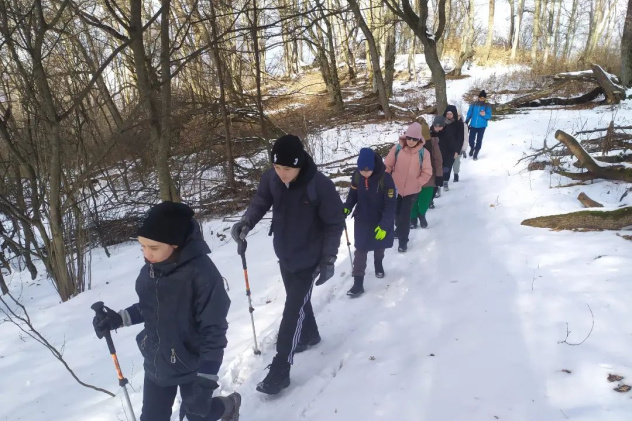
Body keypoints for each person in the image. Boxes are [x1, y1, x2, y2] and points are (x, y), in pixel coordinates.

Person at [91, 201, 239, 421]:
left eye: (153, 248)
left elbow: (214, 331)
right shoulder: (151, 269)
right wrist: (117, 319)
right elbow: (152, 307)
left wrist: (206, 381)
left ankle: (228, 406)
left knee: (198, 414)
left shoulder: (202, 275)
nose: (146, 254)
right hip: (157, 360)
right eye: (142, 246)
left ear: (176, 244)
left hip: (192, 364)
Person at [230, 134, 344, 395]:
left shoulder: (319, 186)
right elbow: (261, 200)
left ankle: (281, 369)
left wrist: (328, 258)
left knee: (292, 311)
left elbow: (334, 223)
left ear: (300, 164)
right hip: (285, 254)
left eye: (287, 169)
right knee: (299, 301)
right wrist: (246, 222)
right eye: (277, 167)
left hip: (310, 257)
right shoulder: (272, 178)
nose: (281, 174)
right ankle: (310, 335)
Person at [343, 148, 396, 298]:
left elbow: (390, 204)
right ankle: (358, 283)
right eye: (361, 170)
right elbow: (353, 195)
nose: (364, 173)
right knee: (360, 250)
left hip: (379, 219)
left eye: (368, 171)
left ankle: (378, 264)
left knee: (379, 246)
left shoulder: (385, 178)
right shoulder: (357, 176)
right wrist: (347, 207)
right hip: (362, 219)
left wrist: (384, 226)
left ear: (373, 166)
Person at [384, 122, 432, 252]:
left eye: (414, 139)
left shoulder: (424, 153)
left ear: (419, 139)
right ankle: (398, 228)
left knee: (404, 216)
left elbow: (427, 172)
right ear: (406, 136)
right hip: (395, 189)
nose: (411, 141)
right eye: (409, 138)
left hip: (412, 191)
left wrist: (417, 183)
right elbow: (388, 165)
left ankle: (403, 241)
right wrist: (385, 179)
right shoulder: (397, 149)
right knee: (395, 213)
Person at [411, 120, 443, 229]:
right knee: (413, 199)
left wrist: (439, 175)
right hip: (413, 177)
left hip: (429, 177)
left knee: (424, 200)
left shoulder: (433, 144)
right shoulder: (409, 144)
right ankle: (413, 218)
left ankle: (422, 214)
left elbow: (438, 160)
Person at [439, 106, 464, 191]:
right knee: (439, 166)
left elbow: (460, 139)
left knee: (447, 166)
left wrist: (457, 151)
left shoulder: (458, 124)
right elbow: (434, 132)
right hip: (440, 149)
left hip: (452, 150)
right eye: (447, 114)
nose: (449, 115)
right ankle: (438, 184)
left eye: (451, 114)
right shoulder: (441, 122)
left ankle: (445, 181)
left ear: (454, 114)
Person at [465, 90, 492, 160]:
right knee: (471, 139)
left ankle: (476, 153)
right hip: (473, 125)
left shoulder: (487, 106)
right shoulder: (473, 104)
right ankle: (472, 148)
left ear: (485, 98)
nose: (481, 99)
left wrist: (484, 115)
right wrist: (467, 120)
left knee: (479, 140)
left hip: (482, 126)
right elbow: (469, 113)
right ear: (478, 98)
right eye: (480, 98)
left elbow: (489, 116)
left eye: (483, 98)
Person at [452, 106, 469, 182]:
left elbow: (465, 137)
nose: (457, 117)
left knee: (456, 162)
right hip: (449, 146)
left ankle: (456, 174)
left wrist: (463, 148)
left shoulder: (463, 125)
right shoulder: (449, 123)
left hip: (458, 146)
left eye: (458, 115)